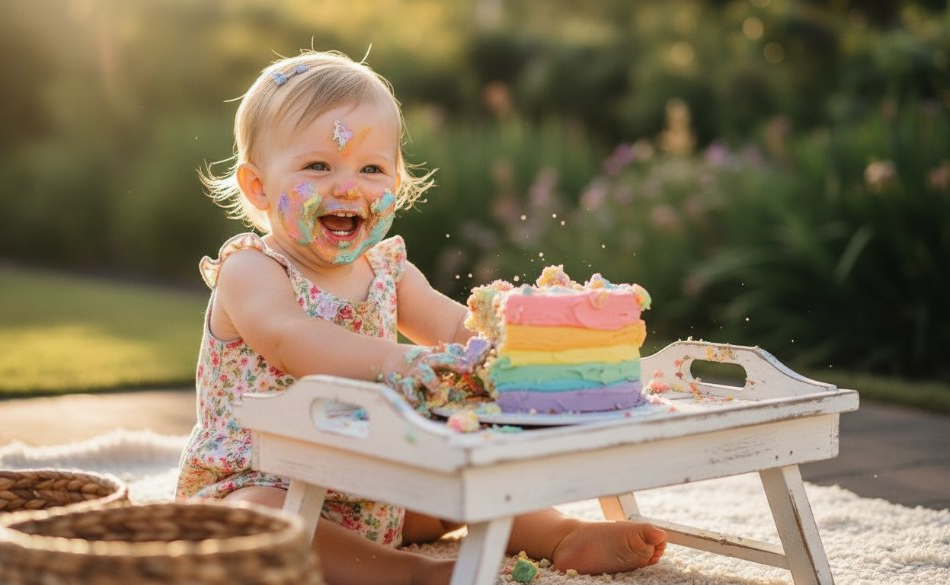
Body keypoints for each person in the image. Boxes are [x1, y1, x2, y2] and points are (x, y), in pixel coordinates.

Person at [175, 50, 666, 585]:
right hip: (262, 480)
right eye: (318, 166)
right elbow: (291, 339)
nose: (348, 187)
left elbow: (456, 328)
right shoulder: (251, 268)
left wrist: (523, 335)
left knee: (463, 484)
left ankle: (561, 534)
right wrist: (399, 360)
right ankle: (403, 572)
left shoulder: (387, 268)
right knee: (260, 523)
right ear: (258, 188)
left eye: (372, 169)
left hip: (374, 485)